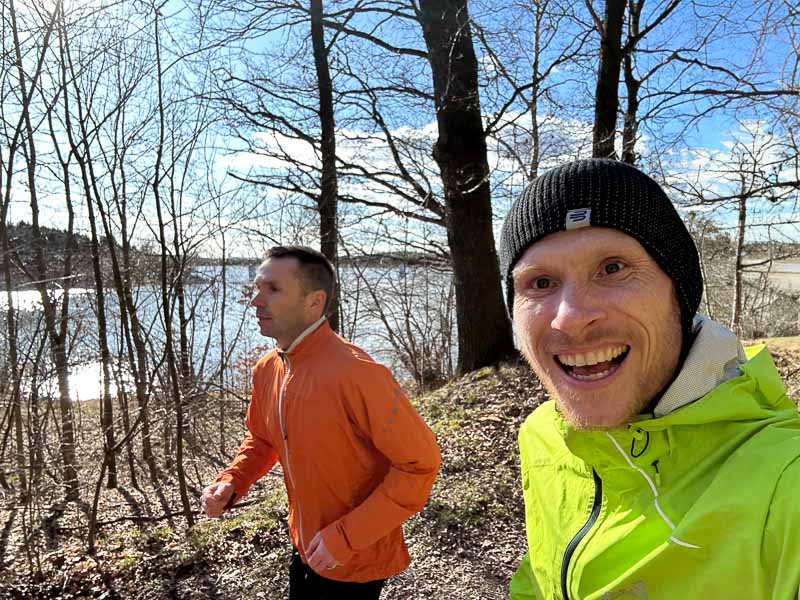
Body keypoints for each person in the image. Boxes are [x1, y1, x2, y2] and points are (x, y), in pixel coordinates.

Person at [498, 159, 800, 599]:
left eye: (613, 268)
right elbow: (541, 577)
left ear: (678, 294)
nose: (570, 318)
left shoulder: (784, 486)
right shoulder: (543, 435)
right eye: (540, 282)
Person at [201, 245, 441, 599]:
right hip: (305, 543)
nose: (255, 300)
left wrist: (345, 537)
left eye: (273, 289)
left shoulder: (357, 373)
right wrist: (233, 481)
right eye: (257, 287)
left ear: (314, 302)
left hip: (355, 557)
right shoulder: (269, 368)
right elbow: (263, 438)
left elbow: (420, 465)